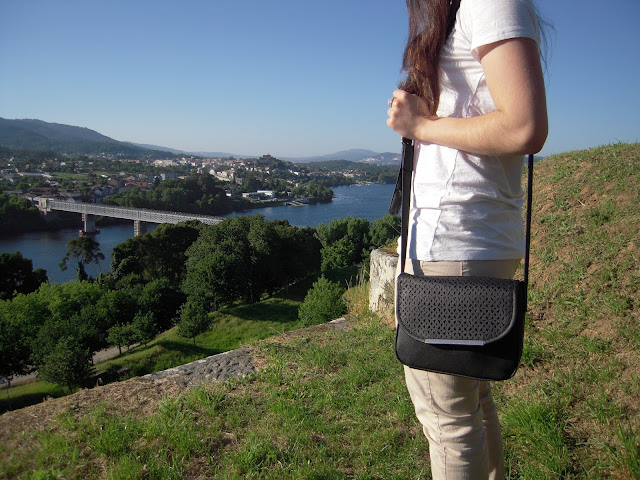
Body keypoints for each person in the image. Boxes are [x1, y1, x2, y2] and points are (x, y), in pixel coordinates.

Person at [386, 0, 548, 479]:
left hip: (452, 243)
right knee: (471, 401)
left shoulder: (488, 2)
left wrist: (421, 126)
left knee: (447, 419)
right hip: (468, 240)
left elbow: (524, 126)